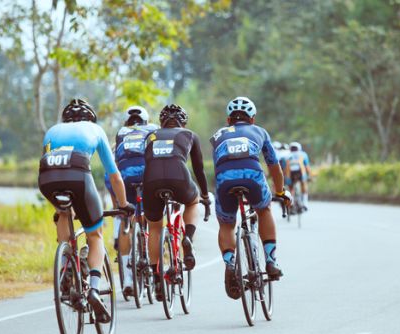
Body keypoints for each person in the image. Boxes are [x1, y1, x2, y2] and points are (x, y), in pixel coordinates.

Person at [38, 98, 133, 323]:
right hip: (78, 176)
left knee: (63, 213)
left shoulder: (52, 130)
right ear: (90, 118)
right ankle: (93, 288)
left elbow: (50, 165)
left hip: (47, 177)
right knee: (95, 235)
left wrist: (59, 206)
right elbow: (114, 175)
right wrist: (123, 204)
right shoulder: (95, 129)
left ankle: (66, 264)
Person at [210, 96, 292, 300]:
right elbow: (274, 166)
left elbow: (219, 163)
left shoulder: (218, 135)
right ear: (252, 119)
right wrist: (281, 192)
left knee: (227, 224)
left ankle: (230, 262)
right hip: (252, 176)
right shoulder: (260, 131)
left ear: (228, 120)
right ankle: (271, 260)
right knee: (264, 210)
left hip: (224, 178)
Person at [142, 104, 211, 300]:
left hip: (151, 180)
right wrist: (204, 196)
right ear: (183, 122)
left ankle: (156, 277)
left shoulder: (151, 136)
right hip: (179, 178)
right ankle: (187, 238)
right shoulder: (189, 134)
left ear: (161, 122)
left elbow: (146, 162)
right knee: (192, 201)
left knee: (154, 228)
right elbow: (199, 170)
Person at [113, 106, 159, 296]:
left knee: (127, 220)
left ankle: (128, 278)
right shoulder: (153, 129)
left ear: (126, 122)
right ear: (146, 121)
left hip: (125, 176)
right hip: (148, 175)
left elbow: (117, 159)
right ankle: (150, 251)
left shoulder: (121, 133)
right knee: (152, 219)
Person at [285, 142, 311, 210]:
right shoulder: (303, 154)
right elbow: (307, 167)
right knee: (303, 184)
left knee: (291, 188)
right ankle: (305, 203)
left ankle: (292, 202)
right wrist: (310, 176)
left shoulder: (287, 155)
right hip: (300, 173)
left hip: (290, 174)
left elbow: (285, 169)